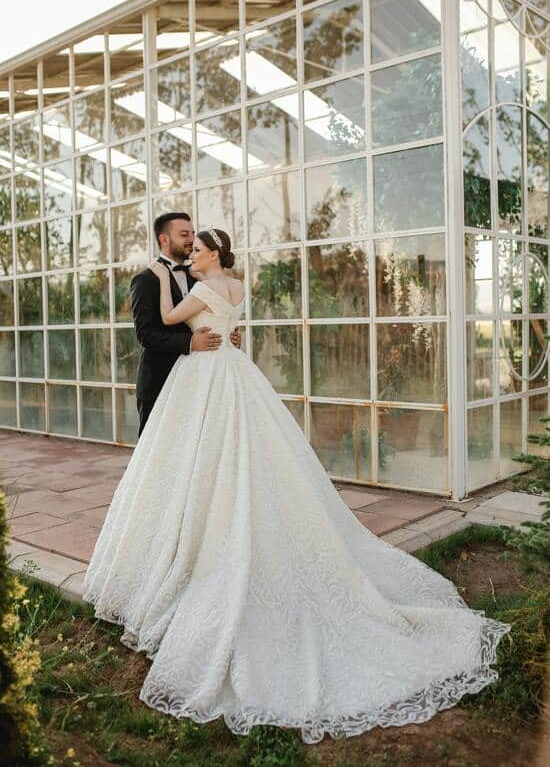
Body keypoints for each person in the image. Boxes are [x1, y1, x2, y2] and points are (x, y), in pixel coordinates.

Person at [83, 228, 511, 744]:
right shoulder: (237, 287)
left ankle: (210, 537)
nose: (190, 254)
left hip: (205, 376)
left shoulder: (198, 287)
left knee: (208, 458)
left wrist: (160, 277)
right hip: (234, 372)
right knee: (238, 454)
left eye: (196, 249)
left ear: (213, 253)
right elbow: (218, 322)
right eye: (187, 248)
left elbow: (170, 318)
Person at [130, 212, 240, 435]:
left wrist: (229, 333)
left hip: (201, 380)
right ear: (164, 239)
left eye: (192, 233)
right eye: (184, 234)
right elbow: (145, 334)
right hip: (160, 377)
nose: (191, 239)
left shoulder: (200, 276)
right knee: (156, 446)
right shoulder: (146, 280)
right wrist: (190, 342)